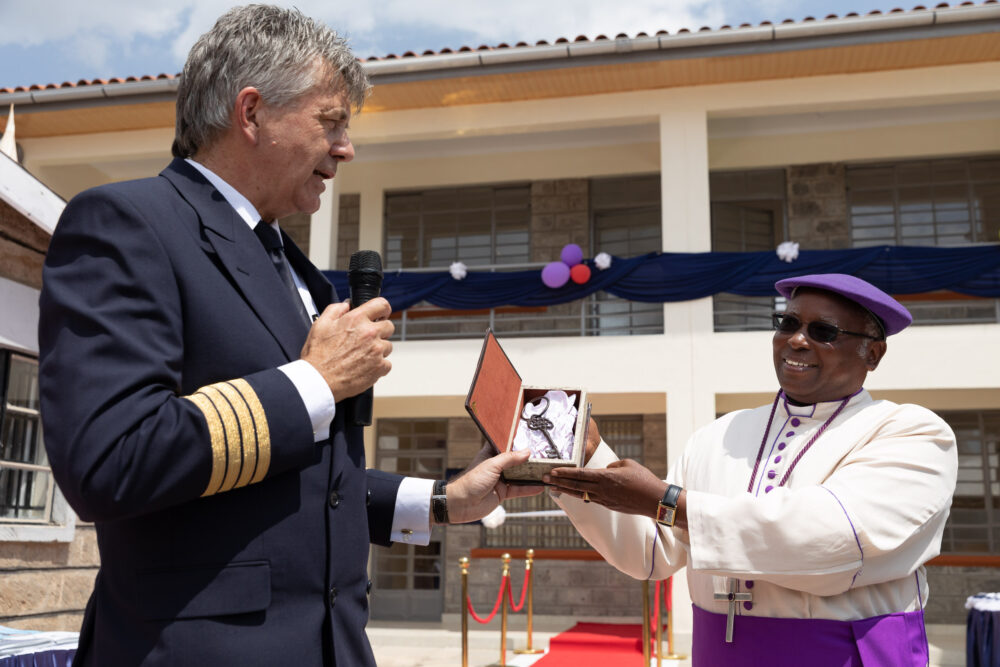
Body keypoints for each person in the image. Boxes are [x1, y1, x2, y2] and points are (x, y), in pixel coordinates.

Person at [38, 6, 535, 666]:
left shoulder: (289, 265)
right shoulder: (126, 224)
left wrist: (444, 500)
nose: (346, 149)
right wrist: (315, 382)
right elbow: (110, 459)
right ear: (252, 114)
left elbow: (304, 486)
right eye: (330, 122)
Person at [545, 274, 958, 666]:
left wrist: (666, 501)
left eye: (823, 332)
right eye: (788, 323)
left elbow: (835, 540)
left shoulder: (910, 433)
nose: (796, 340)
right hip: (720, 653)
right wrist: (582, 459)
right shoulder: (719, 434)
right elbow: (652, 553)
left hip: (842, 654)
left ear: (873, 353)